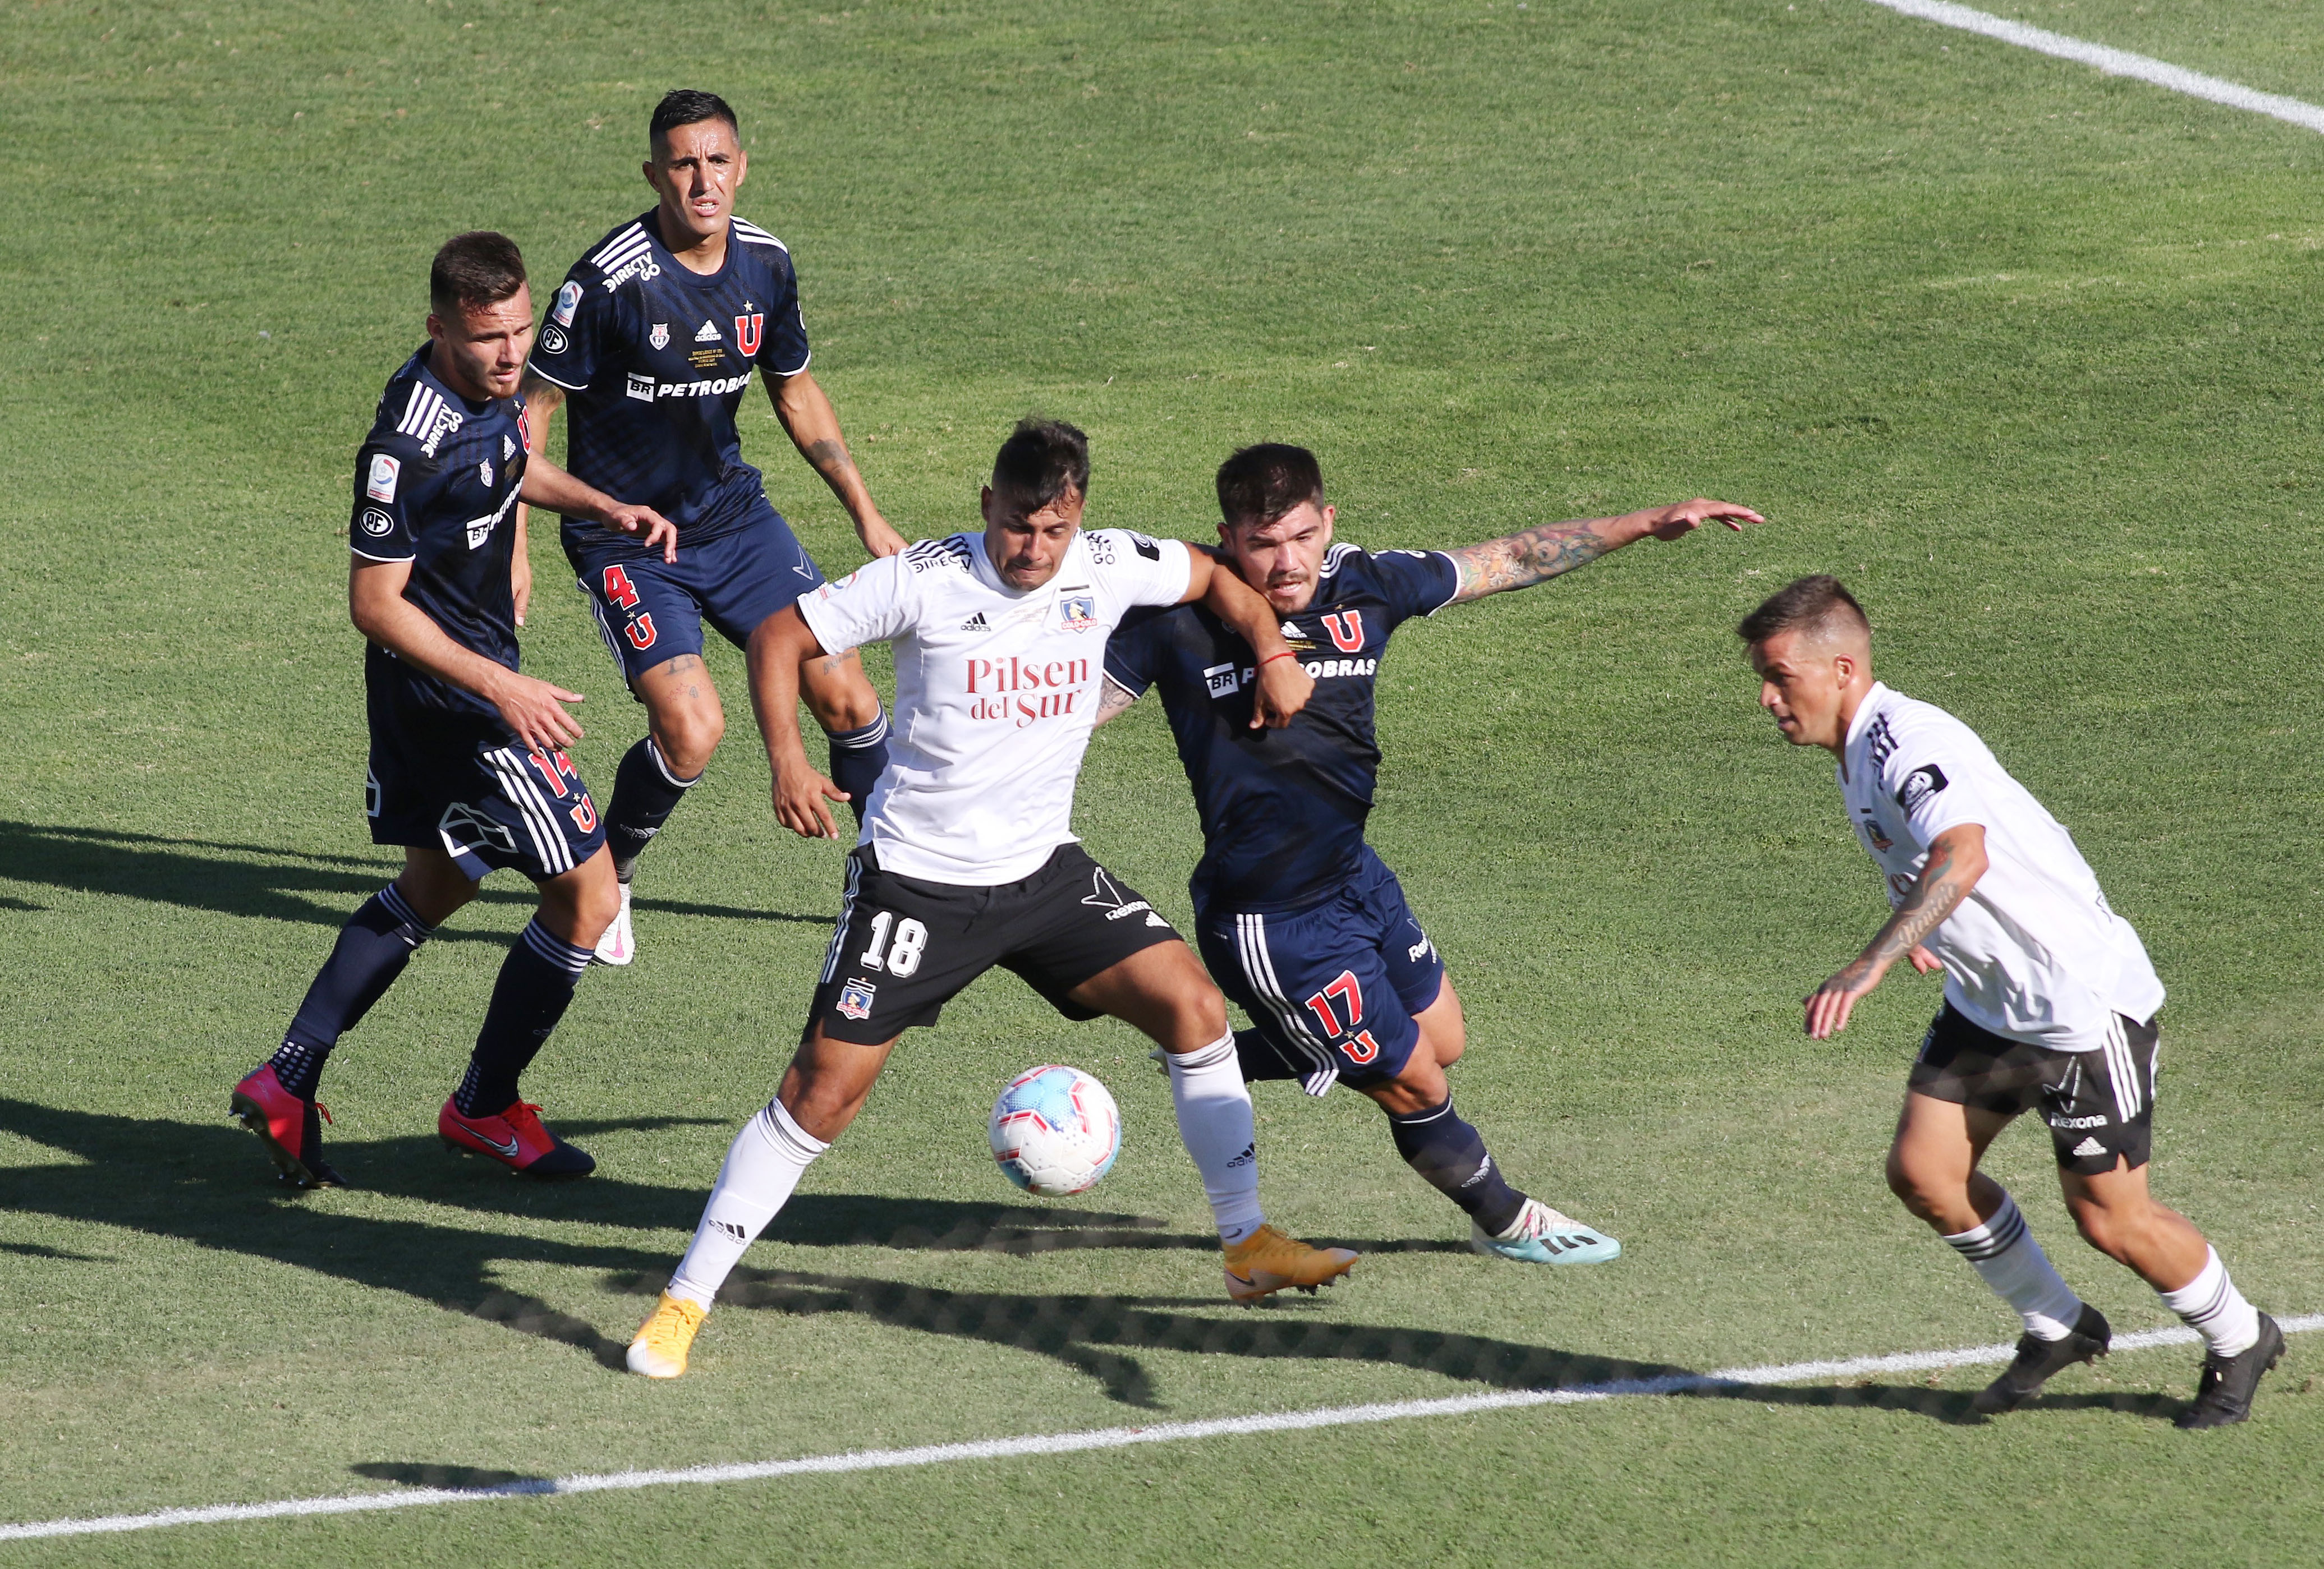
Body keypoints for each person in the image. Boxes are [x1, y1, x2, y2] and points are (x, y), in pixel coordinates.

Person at [625, 419, 1358, 1378]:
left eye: (1053, 529)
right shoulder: (924, 579)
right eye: (1017, 525)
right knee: (822, 1092)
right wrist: (788, 759)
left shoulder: (1108, 563)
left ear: (1078, 518)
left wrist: (1270, 650)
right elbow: (778, 634)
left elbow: (1216, 576)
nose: (1033, 549)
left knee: (1192, 1004)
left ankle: (1245, 1245)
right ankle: (685, 1297)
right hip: (917, 882)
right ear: (986, 505)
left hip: (1044, 872)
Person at [1098, 443, 1758, 1263]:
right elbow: (1066, 711)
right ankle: (1508, 1222)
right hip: (1275, 923)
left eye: (1301, 536)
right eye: (1262, 545)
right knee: (1416, 1083)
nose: (1286, 562)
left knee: (1439, 1038)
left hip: (1355, 877)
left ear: (1327, 521)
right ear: (1226, 537)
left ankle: (1221, 1052)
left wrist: (1647, 522)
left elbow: (1511, 557)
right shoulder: (1175, 620)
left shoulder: (1368, 585)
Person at [1742, 574, 2282, 1428]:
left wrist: (1872, 961)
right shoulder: (1851, 750)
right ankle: (2057, 1323)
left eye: (1779, 677)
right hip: (1989, 1002)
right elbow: (1931, 865)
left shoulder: (1907, 741)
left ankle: (2238, 1332)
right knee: (1925, 1174)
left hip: (2077, 1007)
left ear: (1841, 666)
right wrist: (1926, 931)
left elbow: (1963, 853)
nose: (1768, 699)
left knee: (2111, 1219)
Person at [231, 232, 677, 1187]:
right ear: (438, 329)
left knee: (439, 883)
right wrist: (501, 686)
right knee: (591, 895)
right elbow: (373, 602)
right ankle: (484, 1107)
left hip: (450, 694)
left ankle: (287, 1077)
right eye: (486, 340)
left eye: (519, 331)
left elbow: (512, 467)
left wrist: (603, 503)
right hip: (459, 706)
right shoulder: (404, 444)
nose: (512, 355)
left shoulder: (494, 393)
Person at [521, 89, 899, 967]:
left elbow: (795, 392)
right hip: (628, 540)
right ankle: (603, 885)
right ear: (654, 173)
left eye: (717, 160)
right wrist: (517, 548)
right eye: (683, 164)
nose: (703, 180)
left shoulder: (766, 265)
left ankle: (890, 883)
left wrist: (867, 515)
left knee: (848, 695)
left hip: (734, 521)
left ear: (741, 165)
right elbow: (531, 415)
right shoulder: (606, 282)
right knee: (693, 730)